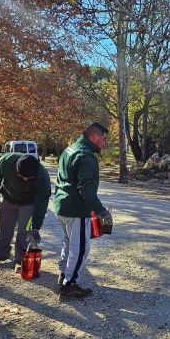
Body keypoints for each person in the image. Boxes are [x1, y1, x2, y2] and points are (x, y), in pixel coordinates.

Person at [53, 122, 113, 299]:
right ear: (94, 137)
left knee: (68, 242)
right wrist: (100, 210)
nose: (104, 142)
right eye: (103, 138)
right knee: (80, 249)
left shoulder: (70, 149)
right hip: (76, 209)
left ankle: (64, 273)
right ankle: (70, 285)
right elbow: (86, 188)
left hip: (62, 206)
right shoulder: (86, 156)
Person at [0, 153, 51, 272]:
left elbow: (42, 203)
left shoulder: (42, 176)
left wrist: (36, 228)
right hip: (8, 197)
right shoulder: (5, 162)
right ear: (16, 169)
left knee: (24, 231)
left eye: (29, 178)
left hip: (28, 202)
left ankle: (20, 259)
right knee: (4, 226)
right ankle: (0, 253)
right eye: (22, 176)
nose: (25, 179)